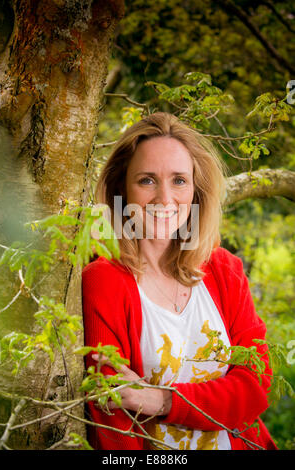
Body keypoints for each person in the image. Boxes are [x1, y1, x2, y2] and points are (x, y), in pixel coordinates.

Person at [82, 112, 277, 450]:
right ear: (121, 189)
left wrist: (162, 401)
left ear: (196, 190)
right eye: (146, 180)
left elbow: (254, 386)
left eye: (179, 180)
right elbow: (113, 419)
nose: (164, 198)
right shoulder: (104, 282)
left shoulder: (224, 270)